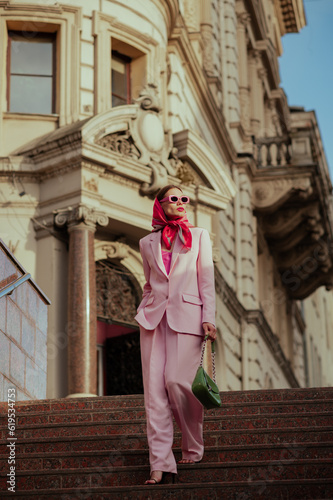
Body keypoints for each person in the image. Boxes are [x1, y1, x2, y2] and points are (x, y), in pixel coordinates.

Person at [135, 184, 217, 485]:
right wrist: (144, 308)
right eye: (175, 198)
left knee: (177, 382)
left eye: (185, 199)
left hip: (189, 318)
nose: (181, 202)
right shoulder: (146, 242)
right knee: (154, 395)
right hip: (153, 320)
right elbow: (148, 282)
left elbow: (206, 280)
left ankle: (193, 444)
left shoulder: (198, 236)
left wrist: (209, 318)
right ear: (160, 204)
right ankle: (159, 464)